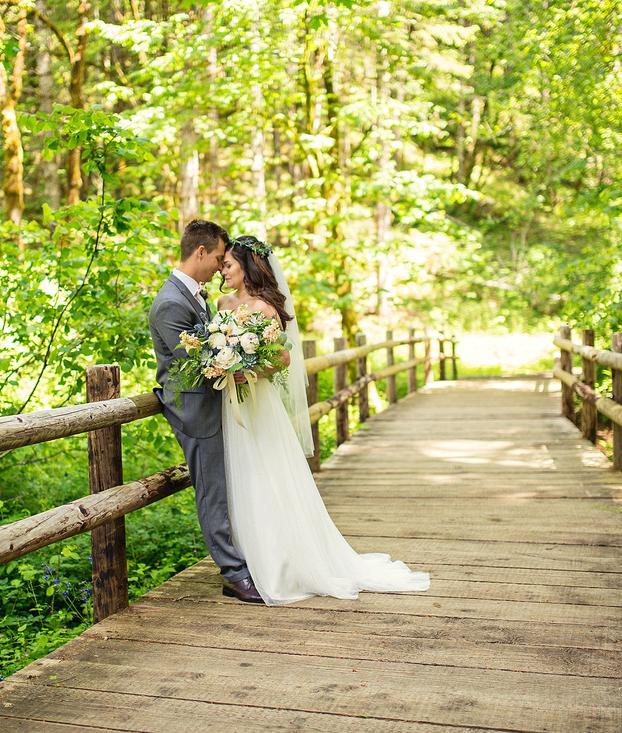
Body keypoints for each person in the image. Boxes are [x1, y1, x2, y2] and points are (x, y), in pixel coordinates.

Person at [215, 235, 430, 605]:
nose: (223, 271)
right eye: (221, 265)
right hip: (230, 405)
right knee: (242, 476)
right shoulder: (221, 304)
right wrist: (220, 363)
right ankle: (246, 560)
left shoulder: (266, 308)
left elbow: (281, 359)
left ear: (247, 266)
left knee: (269, 476)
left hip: (257, 403)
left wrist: (247, 369)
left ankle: (281, 562)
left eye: (229, 265)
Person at [148, 220, 264, 603]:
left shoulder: (193, 294)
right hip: (194, 411)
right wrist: (240, 356)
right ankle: (234, 574)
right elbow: (198, 360)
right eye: (217, 257)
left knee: (229, 487)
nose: (219, 266)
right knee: (213, 492)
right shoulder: (169, 302)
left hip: (216, 403)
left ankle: (247, 560)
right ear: (200, 252)